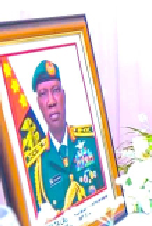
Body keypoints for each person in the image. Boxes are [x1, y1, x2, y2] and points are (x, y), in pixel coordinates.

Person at [27, 60, 104, 215]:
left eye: (55, 91)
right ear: (38, 104)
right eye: (43, 94)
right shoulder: (35, 166)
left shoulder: (92, 140)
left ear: (64, 96)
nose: (51, 102)